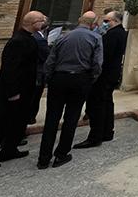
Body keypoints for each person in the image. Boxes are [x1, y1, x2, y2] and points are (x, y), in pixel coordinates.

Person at [0, 11, 45, 170]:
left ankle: (9, 150)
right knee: (0, 124)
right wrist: (13, 93)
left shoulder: (28, 39)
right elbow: (9, 70)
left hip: (24, 91)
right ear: (33, 23)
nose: (44, 23)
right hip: (12, 93)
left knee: (18, 122)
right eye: (41, 20)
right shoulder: (18, 41)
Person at [37, 12, 102, 169]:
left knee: (52, 118)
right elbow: (97, 64)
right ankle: (61, 154)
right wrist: (91, 79)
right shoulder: (95, 38)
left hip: (58, 79)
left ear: (79, 21)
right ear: (93, 24)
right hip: (80, 79)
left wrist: (49, 78)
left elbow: (51, 60)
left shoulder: (63, 36)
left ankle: (43, 158)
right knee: (71, 117)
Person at [75, 10, 128, 148]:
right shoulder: (121, 33)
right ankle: (107, 131)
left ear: (115, 21)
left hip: (104, 75)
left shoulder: (112, 35)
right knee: (107, 103)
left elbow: (102, 57)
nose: (103, 24)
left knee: (97, 105)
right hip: (112, 75)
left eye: (106, 21)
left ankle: (95, 136)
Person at [27, 15, 51, 126]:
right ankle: (30, 118)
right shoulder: (39, 39)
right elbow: (46, 57)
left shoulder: (33, 37)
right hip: (37, 74)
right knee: (34, 98)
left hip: (33, 73)